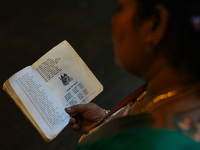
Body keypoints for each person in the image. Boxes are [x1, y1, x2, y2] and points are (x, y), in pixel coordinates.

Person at [65, 0, 200, 149]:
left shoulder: (144, 144)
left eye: (120, 9)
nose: (112, 20)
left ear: (156, 24)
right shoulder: (177, 92)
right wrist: (107, 123)